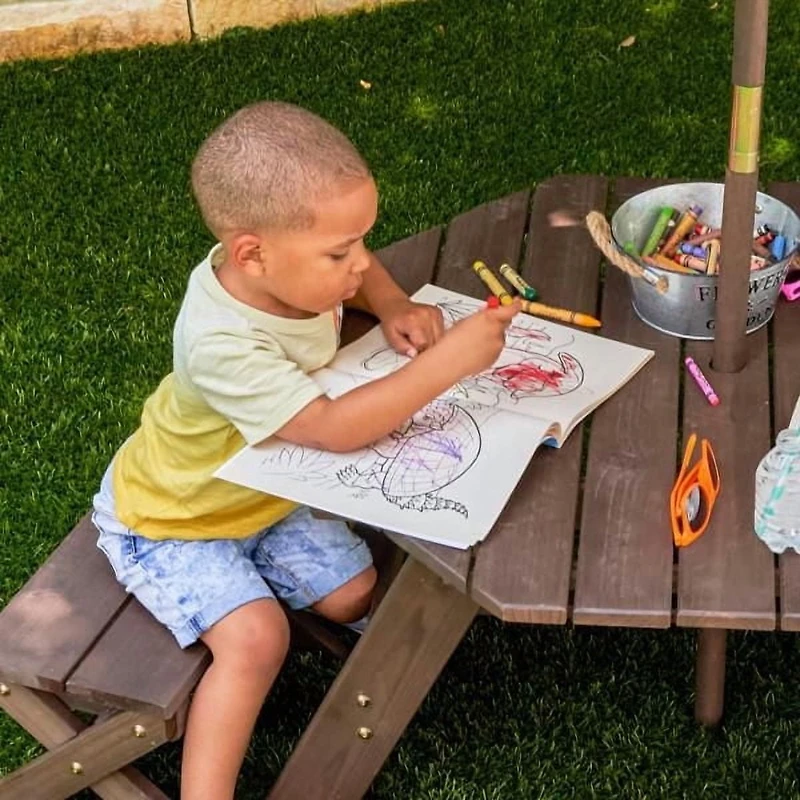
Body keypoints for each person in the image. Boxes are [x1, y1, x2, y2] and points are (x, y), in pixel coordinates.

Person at [91, 100, 518, 799]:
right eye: (339, 253)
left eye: (359, 244)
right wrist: (446, 365)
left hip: (263, 492)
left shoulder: (297, 271)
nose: (357, 266)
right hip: (172, 521)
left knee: (353, 596)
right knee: (259, 640)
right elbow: (333, 428)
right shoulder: (220, 342)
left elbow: (362, 272)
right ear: (251, 253)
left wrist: (393, 306)